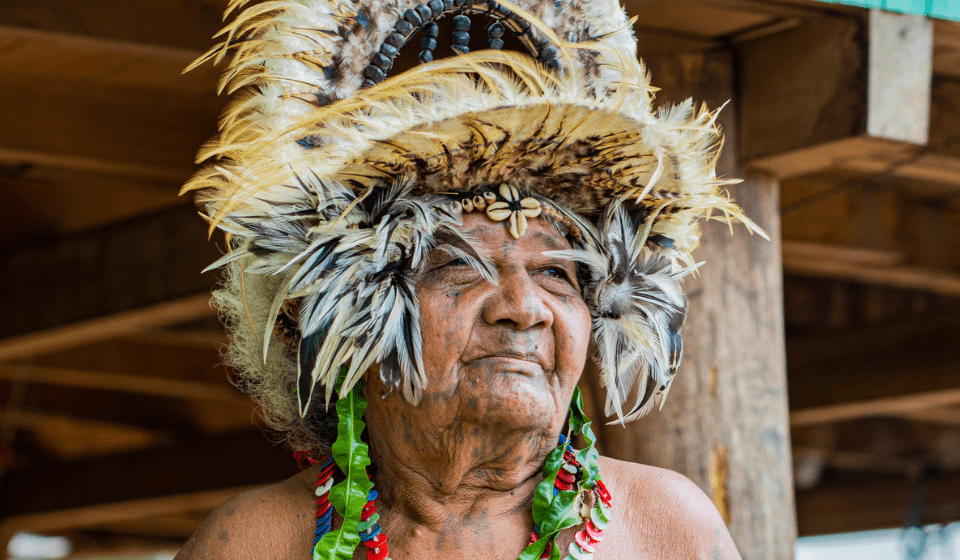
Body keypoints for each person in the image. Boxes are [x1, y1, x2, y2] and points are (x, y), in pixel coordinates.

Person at [174, 0, 757, 558]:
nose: (524, 307)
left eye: (556, 273)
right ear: (333, 319)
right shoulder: (252, 542)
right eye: (459, 266)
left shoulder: (666, 528)